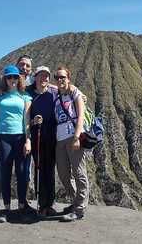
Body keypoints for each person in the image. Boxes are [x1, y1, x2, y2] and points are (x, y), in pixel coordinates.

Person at [0, 55, 34, 218]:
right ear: (5, 79)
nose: (12, 79)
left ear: (19, 78)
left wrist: (28, 140)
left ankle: (20, 206)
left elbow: (26, 121)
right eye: (9, 77)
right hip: (3, 137)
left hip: (19, 137)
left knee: (21, 172)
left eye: (14, 77)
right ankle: (5, 209)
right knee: (5, 172)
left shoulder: (25, 97)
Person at [53, 66, 89, 222]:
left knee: (79, 173)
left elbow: (80, 115)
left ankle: (79, 209)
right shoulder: (56, 94)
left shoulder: (75, 93)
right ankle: (75, 202)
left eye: (63, 77)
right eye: (57, 77)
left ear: (68, 79)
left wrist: (77, 137)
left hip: (74, 137)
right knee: (63, 174)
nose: (60, 80)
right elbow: (42, 84)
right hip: (60, 140)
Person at [26, 66, 57, 217]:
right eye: (41, 76)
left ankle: (49, 204)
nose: (44, 78)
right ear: (35, 77)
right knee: (39, 169)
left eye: (46, 76)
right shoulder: (29, 93)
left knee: (50, 170)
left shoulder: (53, 92)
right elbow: (24, 117)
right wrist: (33, 121)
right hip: (36, 136)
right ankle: (41, 204)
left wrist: (80, 95)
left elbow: (68, 90)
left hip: (52, 137)